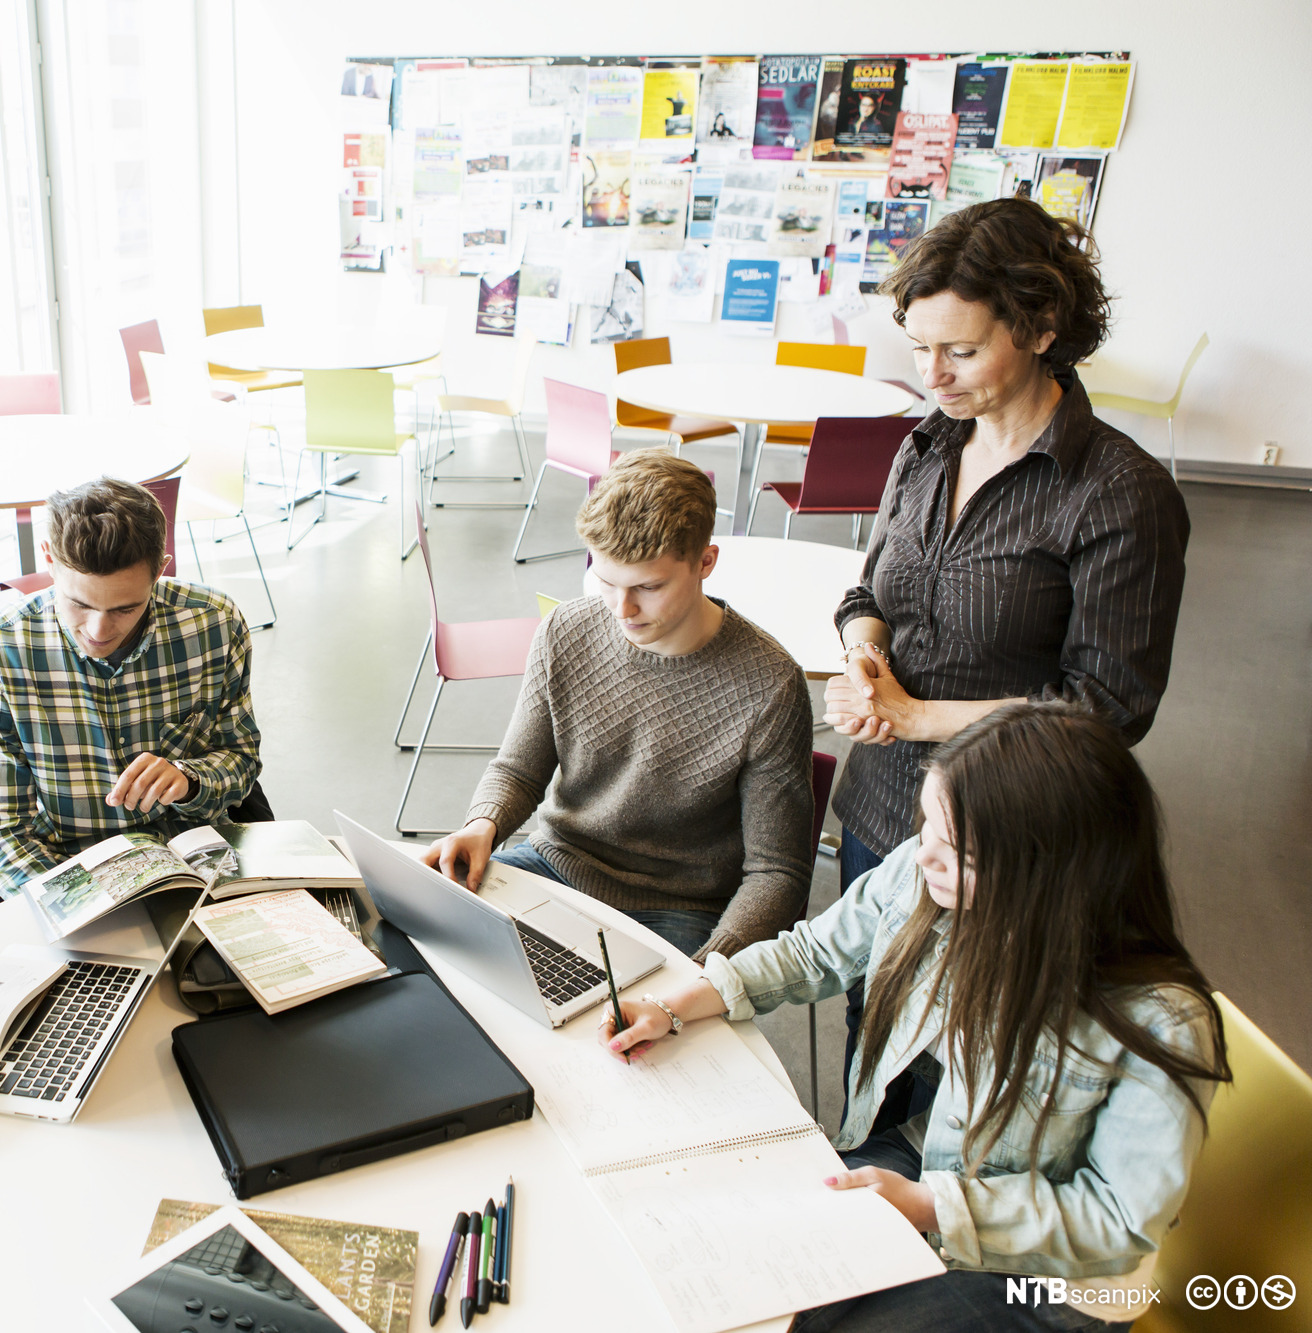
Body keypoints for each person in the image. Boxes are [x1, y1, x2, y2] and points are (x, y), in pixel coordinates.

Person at [603, 704, 1229, 1332]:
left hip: (1051, 1280)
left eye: (959, 851)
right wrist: (676, 1004)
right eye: (927, 823)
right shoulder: (924, 871)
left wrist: (932, 1208)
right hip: (926, 1156)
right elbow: (815, 951)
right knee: (740, 1271)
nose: (922, 855)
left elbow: (1119, 1219)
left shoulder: (1161, 1023)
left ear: (1054, 879)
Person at [823, 198, 1190, 1080]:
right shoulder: (926, 447)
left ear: (1038, 324)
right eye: (919, 348)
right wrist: (865, 655)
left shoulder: (1118, 493)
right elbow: (868, 588)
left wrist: (915, 718)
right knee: (874, 1036)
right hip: (882, 812)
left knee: (971, 1064)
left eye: (961, 350)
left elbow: (1106, 711)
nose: (933, 375)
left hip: (1010, 841)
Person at [424, 451, 813, 961]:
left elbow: (776, 873)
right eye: (606, 582)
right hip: (556, 864)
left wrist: (711, 966)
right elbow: (519, 770)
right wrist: (482, 826)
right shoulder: (566, 630)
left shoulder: (770, 685)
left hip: (682, 909)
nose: (622, 610)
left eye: (648, 588)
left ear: (705, 563)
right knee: (434, 951)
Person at [0, 476, 263, 924]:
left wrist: (190, 780)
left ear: (161, 569)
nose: (99, 631)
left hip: (192, 866)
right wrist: (88, 912)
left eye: (124, 609)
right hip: (63, 874)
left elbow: (241, 757)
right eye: (78, 604)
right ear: (50, 559)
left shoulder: (214, 624)